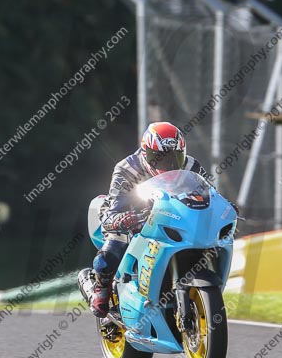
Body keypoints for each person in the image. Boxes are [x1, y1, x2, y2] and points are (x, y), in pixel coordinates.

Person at [89, 122, 210, 318]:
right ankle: (101, 289)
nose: (168, 164)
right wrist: (123, 218)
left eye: (174, 157)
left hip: (172, 215)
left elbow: (209, 193)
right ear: (146, 153)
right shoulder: (126, 168)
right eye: (160, 158)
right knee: (115, 245)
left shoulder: (191, 166)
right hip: (132, 215)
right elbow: (113, 210)